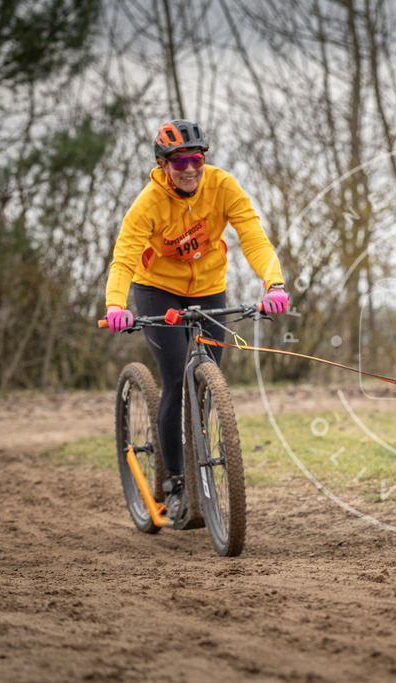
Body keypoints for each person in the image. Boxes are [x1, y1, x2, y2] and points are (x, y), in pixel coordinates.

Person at [104, 119, 289, 521]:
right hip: (157, 290)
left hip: (208, 288)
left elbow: (253, 236)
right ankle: (174, 482)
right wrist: (116, 306)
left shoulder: (223, 186)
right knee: (174, 379)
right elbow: (124, 258)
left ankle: (199, 451)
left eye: (197, 158)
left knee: (205, 382)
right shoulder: (148, 204)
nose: (189, 167)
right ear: (163, 164)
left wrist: (274, 284)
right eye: (179, 160)